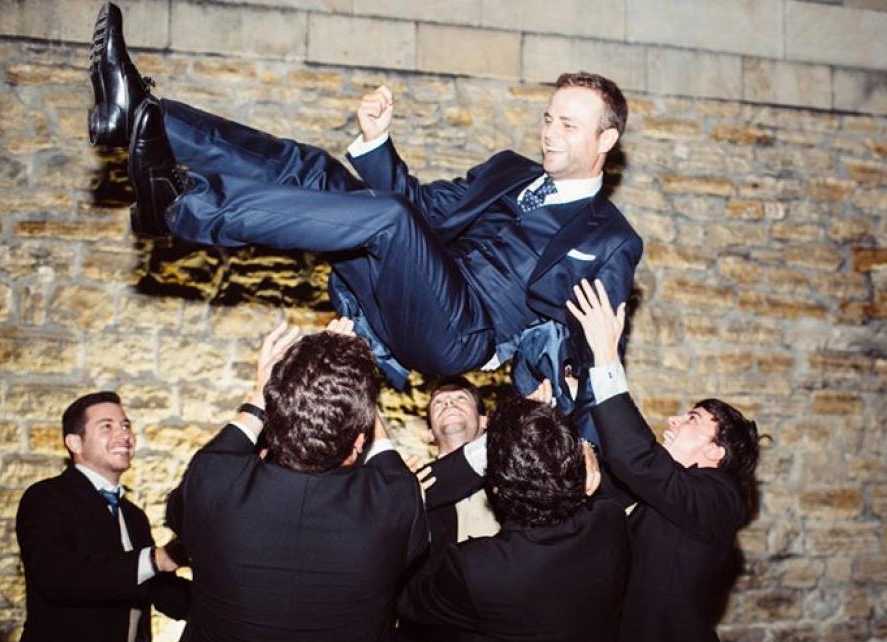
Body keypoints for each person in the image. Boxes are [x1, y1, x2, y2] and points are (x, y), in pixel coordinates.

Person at [87, 2, 642, 435]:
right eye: (548, 118)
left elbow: (600, 350)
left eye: (569, 126)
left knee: (389, 220)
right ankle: (140, 112)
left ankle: (185, 206)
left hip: (463, 334)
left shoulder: (611, 239)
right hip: (410, 286)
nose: (549, 134)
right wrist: (378, 143)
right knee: (317, 172)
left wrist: (588, 446)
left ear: (606, 139)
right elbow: (424, 210)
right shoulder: (511, 170)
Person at [137, 321, 427, 642]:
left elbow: (224, 451)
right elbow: (383, 453)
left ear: (274, 415)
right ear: (355, 444)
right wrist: (353, 387)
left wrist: (261, 390)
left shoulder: (214, 485)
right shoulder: (394, 502)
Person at [567, 279, 763, 642]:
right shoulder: (666, 496)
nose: (674, 419)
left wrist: (607, 356)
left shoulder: (719, 499)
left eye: (693, 419)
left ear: (715, 452)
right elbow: (612, 478)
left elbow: (637, 459)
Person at [398, 396, 629, 642]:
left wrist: (402, 507)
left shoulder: (477, 567)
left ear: (499, 489)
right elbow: (599, 498)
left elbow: (408, 598)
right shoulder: (609, 525)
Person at [2, 391, 190, 642]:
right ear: (74, 443)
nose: (124, 434)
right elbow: (59, 578)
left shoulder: (133, 516)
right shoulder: (46, 499)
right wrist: (158, 557)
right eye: (107, 426)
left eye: (126, 425)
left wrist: (235, 598)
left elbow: (159, 591)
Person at [397, 377, 494, 642]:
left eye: (461, 399)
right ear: (427, 430)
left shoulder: (517, 483)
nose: (449, 404)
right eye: (439, 403)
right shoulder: (408, 489)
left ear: (485, 422)